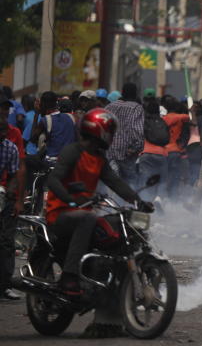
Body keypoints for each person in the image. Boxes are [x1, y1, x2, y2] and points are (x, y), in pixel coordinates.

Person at [44, 109, 150, 296]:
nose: (111, 137)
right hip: (60, 213)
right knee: (88, 219)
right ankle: (69, 276)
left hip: (83, 212)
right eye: (109, 132)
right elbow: (53, 180)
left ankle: (108, 279)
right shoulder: (73, 151)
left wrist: (139, 201)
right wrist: (72, 199)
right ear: (97, 131)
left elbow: (115, 182)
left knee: (120, 222)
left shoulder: (99, 158)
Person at [0, 99, 26, 300]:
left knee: (7, 240)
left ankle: (5, 285)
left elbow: (17, 171)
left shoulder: (11, 144)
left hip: (5, 195)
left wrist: (16, 198)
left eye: (4, 114)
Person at [104, 83, 144, 183]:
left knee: (110, 186)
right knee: (129, 186)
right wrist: (133, 150)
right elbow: (138, 132)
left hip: (108, 153)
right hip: (126, 155)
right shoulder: (136, 108)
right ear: (135, 94)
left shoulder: (109, 107)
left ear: (122, 93)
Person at [138, 97, 169, 203]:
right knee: (162, 180)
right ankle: (159, 198)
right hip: (162, 154)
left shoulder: (143, 121)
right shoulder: (162, 122)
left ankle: (146, 202)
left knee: (146, 180)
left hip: (146, 154)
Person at [161, 96, 191, 201]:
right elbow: (188, 121)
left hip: (164, 151)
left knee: (165, 175)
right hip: (176, 150)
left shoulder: (162, 119)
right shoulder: (181, 118)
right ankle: (173, 198)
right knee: (175, 175)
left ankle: (164, 197)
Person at [33, 90, 78, 160]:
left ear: (44, 105)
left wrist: (36, 113)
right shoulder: (72, 117)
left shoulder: (45, 120)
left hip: (52, 161)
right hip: (70, 159)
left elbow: (33, 138)